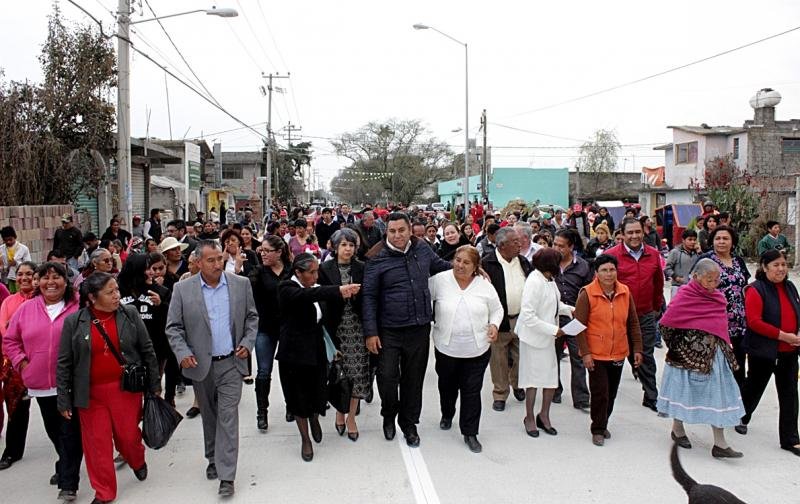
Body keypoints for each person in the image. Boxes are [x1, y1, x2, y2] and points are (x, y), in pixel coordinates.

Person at [57, 272, 161, 503]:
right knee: (97, 445)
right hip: (90, 394)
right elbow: (64, 362)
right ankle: (104, 492)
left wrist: (154, 385)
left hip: (125, 390)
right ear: (92, 298)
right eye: (110, 292)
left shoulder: (129, 314)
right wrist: (63, 399)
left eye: (117, 290)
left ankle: (137, 459)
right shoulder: (74, 322)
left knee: (128, 437)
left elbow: (147, 350)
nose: (117, 296)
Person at [166, 240, 258, 497]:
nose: (218, 264)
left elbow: (252, 317)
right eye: (211, 260)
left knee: (228, 416)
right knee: (210, 415)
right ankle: (212, 457)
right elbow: (173, 327)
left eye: (219, 258)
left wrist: (247, 342)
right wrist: (182, 352)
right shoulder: (182, 289)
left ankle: (227, 476)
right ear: (197, 262)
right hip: (201, 364)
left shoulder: (240, 284)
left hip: (232, 363)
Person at [363, 212, 452, 447]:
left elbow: (442, 267)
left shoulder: (422, 249)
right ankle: (388, 415)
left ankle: (409, 423)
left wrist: (471, 267)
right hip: (388, 331)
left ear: (410, 229)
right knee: (387, 378)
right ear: (386, 232)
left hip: (418, 328)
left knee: (413, 380)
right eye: (392, 231)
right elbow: (369, 297)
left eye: (401, 230)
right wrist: (371, 332)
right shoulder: (376, 257)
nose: (397, 235)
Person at [3, 262, 82, 501]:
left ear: (66, 281)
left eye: (56, 277)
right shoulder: (26, 309)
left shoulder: (78, 306)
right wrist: (22, 364)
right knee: (55, 431)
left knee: (69, 431)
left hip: (71, 382)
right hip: (40, 384)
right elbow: (10, 340)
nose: (51, 282)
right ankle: (65, 463)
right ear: (39, 282)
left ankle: (68, 482)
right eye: (45, 277)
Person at [656, 258, 744, 458]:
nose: (713, 284)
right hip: (686, 355)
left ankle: (720, 443)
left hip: (716, 356)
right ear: (696, 277)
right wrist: (679, 346)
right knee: (682, 391)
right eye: (709, 280)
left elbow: (720, 324)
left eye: (716, 280)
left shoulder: (718, 298)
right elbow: (666, 323)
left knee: (719, 395)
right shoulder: (685, 295)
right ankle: (678, 429)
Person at [278, 254, 358, 460]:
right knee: (298, 397)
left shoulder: (315, 287)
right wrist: (338, 290)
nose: (316, 276)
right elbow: (306, 296)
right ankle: (305, 439)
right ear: (298, 272)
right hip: (294, 355)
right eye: (311, 272)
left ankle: (314, 418)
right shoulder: (287, 288)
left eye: (317, 271)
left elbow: (324, 317)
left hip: (316, 350)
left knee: (318, 391)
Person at [430, 245, 503, 453]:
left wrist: (494, 324)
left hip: (476, 349)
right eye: (457, 260)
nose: (460, 265)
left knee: (472, 390)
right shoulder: (439, 281)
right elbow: (422, 297)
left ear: (476, 266)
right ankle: (447, 413)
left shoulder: (484, 285)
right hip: (446, 348)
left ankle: (470, 432)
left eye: (466, 262)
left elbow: (497, 309)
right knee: (447, 386)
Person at [574, 255, 643, 446]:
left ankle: (603, 422)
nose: (609, 274)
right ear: (596, 273)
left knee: (611, 393)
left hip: (618, 351)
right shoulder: (587, 294)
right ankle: (597, 429)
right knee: (600, 393)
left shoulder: (625, 292)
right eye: (604, 270)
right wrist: (585, 353)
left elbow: (633, 323)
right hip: (596, 354)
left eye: (612, 270)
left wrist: (637, 348)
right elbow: (579, 326)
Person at [737, 249, 800, 456]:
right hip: (764, 351)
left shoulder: (790, 287)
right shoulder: (756, 289)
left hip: (789, 351)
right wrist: (783, 336)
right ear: (764, 268)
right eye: (776, 265)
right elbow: (755, 322)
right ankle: (741, 416)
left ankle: (790, 439)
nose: (781, 269)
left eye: (784, 265)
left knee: (790, 394)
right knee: (754, 387)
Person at [604, 217, 663, 412]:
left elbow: (658, 283)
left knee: (646, 354)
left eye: (638, 232)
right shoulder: (611, 255)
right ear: (622, 234)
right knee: (617, 355)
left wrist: (656, 307)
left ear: (643, 232)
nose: (634, 236)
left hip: (645, 313)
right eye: (630, 232)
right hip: (618, 315)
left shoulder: (653, 254)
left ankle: (651, 395)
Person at [517, 248, 574, 438]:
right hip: (533, 339)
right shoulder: (534, 281)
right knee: (532, 380)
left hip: (548, 339)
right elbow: (528, 315)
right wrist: (553, 330)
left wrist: (571, 310)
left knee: (550, 379)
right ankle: (529, 417)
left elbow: (556, 304)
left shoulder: (549, 280)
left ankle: (544, 415)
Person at [318, 229, 368, 441]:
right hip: (335, 328)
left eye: (351, 245)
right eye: (344, 245)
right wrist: (340, 291)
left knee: (358, 373)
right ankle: (340, 411)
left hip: (357, 327)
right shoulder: (324, 268)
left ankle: (352, 418)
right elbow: (319, 295)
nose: (348, 249)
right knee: (339, 373)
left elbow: (369, 298)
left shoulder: (362, 268)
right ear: (335, 247)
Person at [481, 227, 531, 411]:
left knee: (521, 357)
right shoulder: (487, 264)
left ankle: (517, 384)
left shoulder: (523, 262)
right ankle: (500, 393)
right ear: (502, 245)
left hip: (521, 319)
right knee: (498, 360)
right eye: (515, 242)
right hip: (499, 322)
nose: (520, 244)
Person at [117, 253, 176, 404]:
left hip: (154, 348)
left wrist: (161, 305)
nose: (151, 272)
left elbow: (173, 318)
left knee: (152, 389)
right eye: (147, 268)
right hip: (125, 349)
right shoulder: (117, 291)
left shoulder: (160, 291)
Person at [697, 225, 750, 388]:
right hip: (715, 323)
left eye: (725, 238)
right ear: (712, 241)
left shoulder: (738, 261)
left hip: (739, 324)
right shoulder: (706, 261)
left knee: (738, 366)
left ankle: (737, 401)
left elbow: (745, 287)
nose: (721, 242)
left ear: (732, 242)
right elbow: (696, 288)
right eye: (718, 238)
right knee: (716, 366)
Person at [250, 236, 293, 430]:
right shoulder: (258, 272)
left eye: (267, 250)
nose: (263, 254)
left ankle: (291, 405)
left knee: (289, 369)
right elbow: (247, 286)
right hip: (265, 328)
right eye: (261, 250)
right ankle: (262, 412)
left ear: (279, 252)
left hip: (288, 328)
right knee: (263, 371)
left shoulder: (291, 270)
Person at [0, 261, 36, 470]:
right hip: (16, 362)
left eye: (29, 274)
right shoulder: (9, 301)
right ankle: (12, 451)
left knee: (53, 410)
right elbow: (5, 331)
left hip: (42, 361)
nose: (24, 278)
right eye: (20, 274)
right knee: (16, 408)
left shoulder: (43, 300)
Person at [552, 229, 593, 409]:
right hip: (553, 318)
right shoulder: (549, 263)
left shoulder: (583, 266)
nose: (556, 248)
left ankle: (581, 398)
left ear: (571, 247)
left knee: (578, 357)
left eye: (561, 246)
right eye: (554, 244)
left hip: (576, 319)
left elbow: (589, 292)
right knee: (552, 357)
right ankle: (554, 391)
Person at [664, 229, 700, 297]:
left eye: (694, 240)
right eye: (690, 239)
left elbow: (704, 266)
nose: (693, 242)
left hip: (694, 288)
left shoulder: (697, 253)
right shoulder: (675, 252)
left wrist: (700, 252)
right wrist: (676, 278)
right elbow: (667, 268)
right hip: (678, 287)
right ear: (683, 240)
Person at [0, 227, 31, 294]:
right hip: (6, 278)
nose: (8, 242)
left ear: (15, 237)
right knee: (10, 295)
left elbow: (29, 265)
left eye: (10, 239)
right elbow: (1, 266)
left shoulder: (23, 249)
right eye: (5, 240)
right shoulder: (1, 249)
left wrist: (16, 263)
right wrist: (5, 267)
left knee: (21, 294)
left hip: (21, 279)